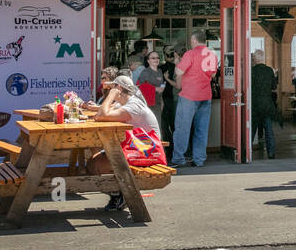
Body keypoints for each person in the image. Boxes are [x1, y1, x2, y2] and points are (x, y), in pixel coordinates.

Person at [90, 74, 161, 210]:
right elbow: (100, 112)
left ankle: (120, 194)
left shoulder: (133, 105)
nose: (110, 88)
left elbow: (101, 116)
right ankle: (118, 193)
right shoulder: (125, 103)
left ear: (119, 88)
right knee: (94, 153)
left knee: (95, 164)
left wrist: (111, 96)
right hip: (137, 148)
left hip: (147, 152)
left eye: (113, 86)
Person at [172, 32, 218, 168]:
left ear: (194, 40)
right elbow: (214, 74)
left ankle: (178, 158)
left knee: (182, 128)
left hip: (189, 95)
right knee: (201, 129)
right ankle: (199, 159)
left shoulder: (190, 53)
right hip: (206, 95)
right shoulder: (212, 54)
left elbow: (179, 72)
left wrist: (178, 63)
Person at [250, 49, 278, 158]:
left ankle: (248, 151)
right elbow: (274, 87)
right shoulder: (270, 71)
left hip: (255, 103)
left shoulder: (251, 71)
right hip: (267, 103)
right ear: (263, 58)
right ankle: (271, 152)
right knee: (268, 129)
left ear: (254, 59)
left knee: (252, 129)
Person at [160, 48, 178, 147]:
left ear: (165, 56)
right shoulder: (178, 67)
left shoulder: (161, 68)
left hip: (164, 98)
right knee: (175, 125)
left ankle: (169, 148)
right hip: (176, 98)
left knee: (165, 126)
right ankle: (177, 148)